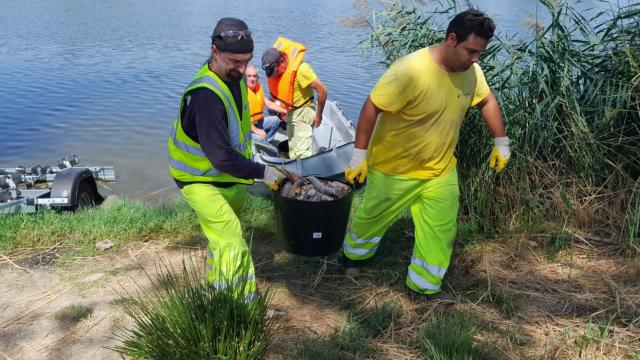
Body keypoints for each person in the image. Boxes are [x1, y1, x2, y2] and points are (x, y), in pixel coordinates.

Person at [342, 9, 511, 296]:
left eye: (479, 53)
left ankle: (424, 287)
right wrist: (359, 156)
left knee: (440, 232)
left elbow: (486, 101)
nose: (475, 59)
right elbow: (373, 106)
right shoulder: (410, 71)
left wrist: (501, 142)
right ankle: (352, 258)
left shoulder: (472, 72)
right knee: (370, 219)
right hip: (394, 169)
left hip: (441, 170)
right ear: (451, 39)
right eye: (471, 51)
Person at [167, 17, 284, 301]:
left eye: (246, 61)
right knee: (231, 240)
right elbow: (219, 156)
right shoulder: (206, 96)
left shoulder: (234, 77)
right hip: (199, 178)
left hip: (228, 177)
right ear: (214, 51)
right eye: (235, 61)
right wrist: (265, 172)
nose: (242, 69)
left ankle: (217, 292)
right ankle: (242, 308)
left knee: (220, 241)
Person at [261, 37, 328, 158]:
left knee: (302, 154)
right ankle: (296, 173)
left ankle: (305, 175)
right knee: (293, 149)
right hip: (291, 113)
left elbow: (322, 90)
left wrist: (319, 115)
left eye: (274, 71)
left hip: (304, 113)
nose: (274, 75)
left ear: (282, 61)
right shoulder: (278, 72)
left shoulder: (302, 69)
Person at [246, 64, 287, 144]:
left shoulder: (257, 89)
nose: (252, 79)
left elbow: (269, 104)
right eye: (249, 76)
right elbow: (242, 120)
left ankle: (267, 144)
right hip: (248, 128)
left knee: (276, 120)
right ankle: (271, 150)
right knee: (260, 138)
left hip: (258, 122)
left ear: (257, 78)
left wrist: (286, 111)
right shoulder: (241, 92)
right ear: (244, 77)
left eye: (254, 76)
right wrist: (257, 130)